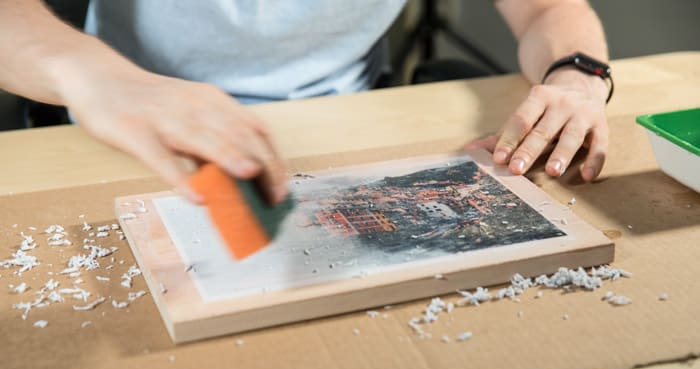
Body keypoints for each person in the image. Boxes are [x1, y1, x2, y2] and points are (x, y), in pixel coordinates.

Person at [0, 0, 610, 205]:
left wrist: (576, 78)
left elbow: (548, 11)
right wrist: (96, 78)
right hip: (128, 133)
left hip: (343, 127)